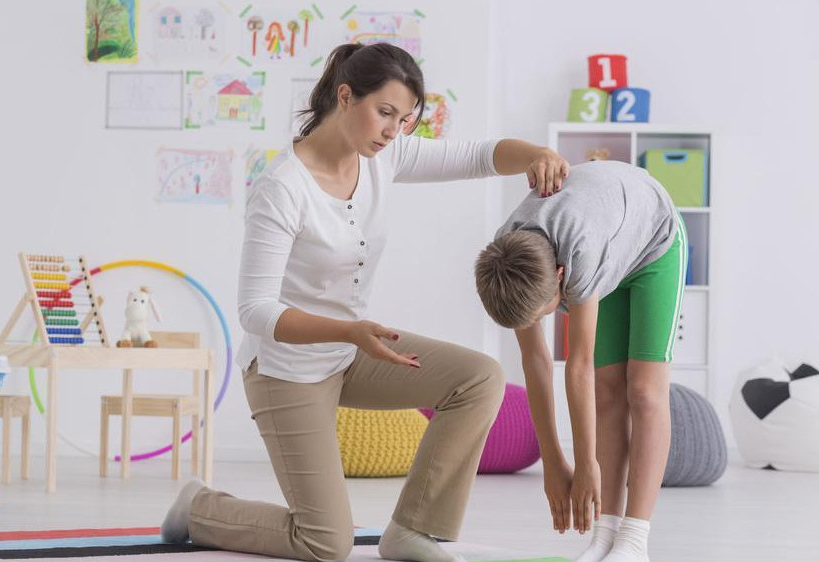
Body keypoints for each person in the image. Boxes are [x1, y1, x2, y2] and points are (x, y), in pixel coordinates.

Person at [160, 42, 570, 562]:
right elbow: (256, 310)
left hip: (352, 352)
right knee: (325, 543)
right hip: (287, 372)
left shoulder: (383, 156)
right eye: (385, 112)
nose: (394, 130)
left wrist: (536, 155)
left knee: (479, 378)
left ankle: (414, 530)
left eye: (405, 119)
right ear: (346, 96)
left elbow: (477, 155)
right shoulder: (283, 188)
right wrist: (349, 332)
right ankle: (200, 508)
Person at [475, 159, 686, 562]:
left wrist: (586, 463)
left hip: (652, 240)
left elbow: (579, 364)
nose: (539, 323)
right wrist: (554, 461)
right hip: (609, 241)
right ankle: (606, 534)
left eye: (546, 313)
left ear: (560, 276)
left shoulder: (580, 252)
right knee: (607, 392)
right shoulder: (508, 260)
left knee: (643, 391)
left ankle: (634, 539)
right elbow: (535, 360)